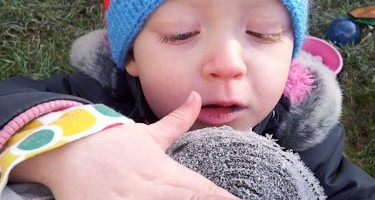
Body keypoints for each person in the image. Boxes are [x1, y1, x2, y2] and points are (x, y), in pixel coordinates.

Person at [0, 0, 374, 199]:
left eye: (263, 33)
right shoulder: (100, 99)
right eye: (181, 35)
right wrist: (72, 147)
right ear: (131, 56)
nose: (228, 64)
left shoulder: (304, 136)